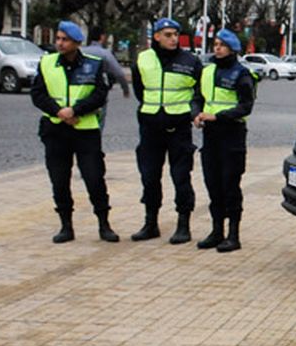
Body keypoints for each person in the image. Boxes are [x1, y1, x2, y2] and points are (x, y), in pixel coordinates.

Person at [29, 20, 119, 243]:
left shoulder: (93, 64)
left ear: (77, 43)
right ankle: (66, 226)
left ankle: (103, 224)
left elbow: (100, 94)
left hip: (85, 130)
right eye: (58, 39)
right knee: (59, 179)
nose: (59, 43)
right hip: (56, 129)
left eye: (64, 39)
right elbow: (37, 94)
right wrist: (59, 111)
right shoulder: (47, 63)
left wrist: (76, 110)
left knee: (94, 178)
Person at [130, 18, 202, 244]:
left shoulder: (190, 61)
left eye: (175, 35)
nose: (173, 39)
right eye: (167, 35)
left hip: (178, 128)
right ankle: (150, 223)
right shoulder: (143, 59)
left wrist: (192, 112)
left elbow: (198, 93)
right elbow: (140, 91)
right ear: (157, 37)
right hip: (150, 127)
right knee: (149, 177)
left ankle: (183, 225)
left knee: (181, 177)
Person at [193, 28, 255, 252]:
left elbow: (245, 107)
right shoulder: (207, 71)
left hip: (232, 135)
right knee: (213, 185)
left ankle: (233, 234)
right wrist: (196, 114)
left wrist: (218, 116)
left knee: (230, 185)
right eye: (215, 44)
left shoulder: (242, 74)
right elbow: (198, 98)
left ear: (232, 49)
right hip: (210, 135)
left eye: (221, 44)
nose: (217, 48)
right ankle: (216, 230)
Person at [81, 28, 132, 100]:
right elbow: (118, 73)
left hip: (80, 88)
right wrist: (125, 89)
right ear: (102, 37)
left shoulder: (81, 52)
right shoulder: (105, 53)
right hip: (99, 90)